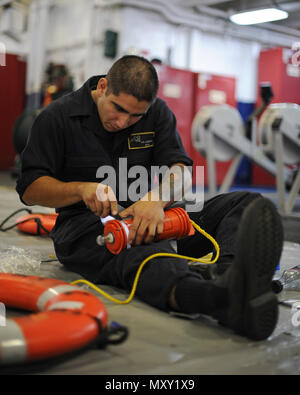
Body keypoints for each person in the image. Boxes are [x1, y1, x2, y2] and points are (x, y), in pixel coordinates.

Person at [16, 55, 283, 341]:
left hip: (151, 216)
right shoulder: (56, 117)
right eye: (118, 109)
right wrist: (82, 189)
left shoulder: (157, 113)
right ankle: (216, 300)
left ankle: (231, 276)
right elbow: (30, 189)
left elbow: (180, 170)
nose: (123, 122)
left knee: (245, 203)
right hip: (88, 229)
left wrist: (156, 200)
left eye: (135, 116)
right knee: (144, 258)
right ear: (103, 87)